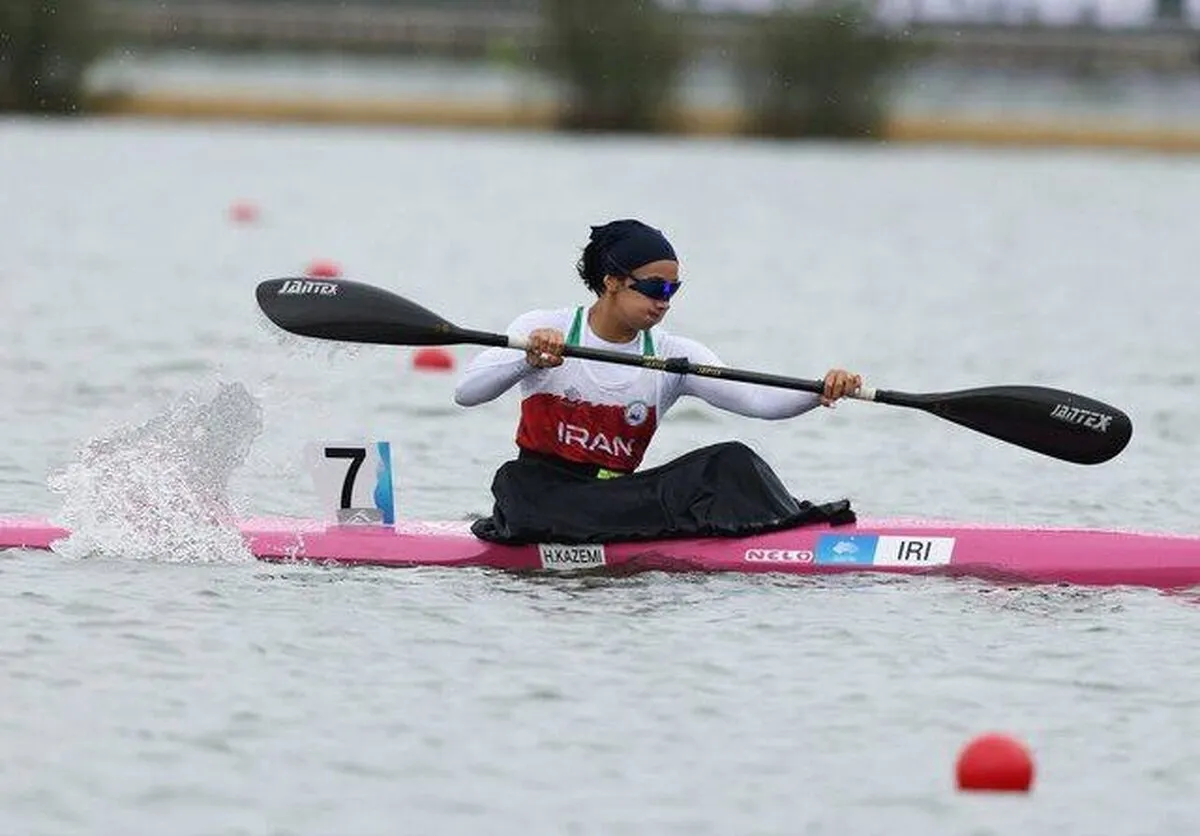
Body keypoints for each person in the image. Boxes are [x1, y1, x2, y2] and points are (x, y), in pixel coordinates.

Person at [454, 218, 863, 545]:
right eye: (654, 287)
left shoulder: (672, 354)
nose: (664, 301)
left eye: (673, 289)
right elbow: (466, 393)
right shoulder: (545, 328)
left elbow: (757, 401)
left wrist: (820, 391)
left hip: (616, 501)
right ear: (612, 281)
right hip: (543, 498)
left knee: (731, 462)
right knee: (519, 483)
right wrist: (527, 361)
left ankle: (790, 535)